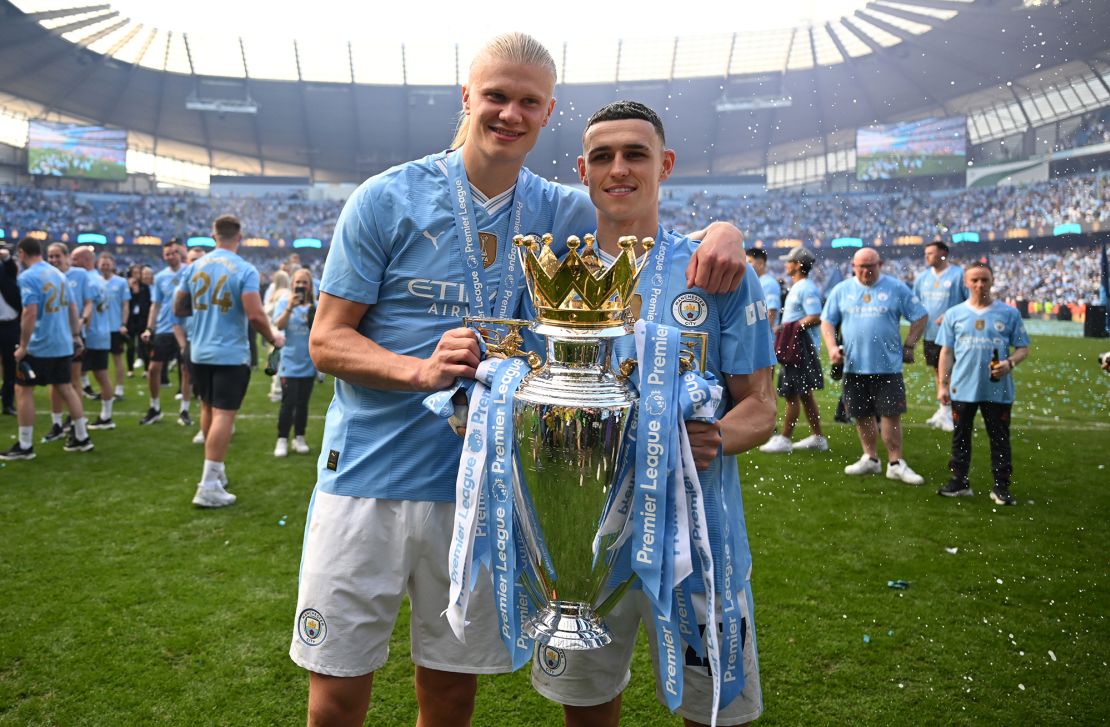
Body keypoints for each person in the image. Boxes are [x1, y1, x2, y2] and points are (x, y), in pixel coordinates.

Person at [288, 32, 747, 727]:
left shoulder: (563, 211)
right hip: (365, 480)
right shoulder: (386, 199)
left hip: (479, 492)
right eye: (496, 96)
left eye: (528, 101)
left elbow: (639, 210)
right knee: (337, 693)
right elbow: (326, 339)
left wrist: (725, 230)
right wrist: (420, 371)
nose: (510, 113)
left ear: (547, 111)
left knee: (448, 695)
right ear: (467, 96)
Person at [531, 100, 776, 727]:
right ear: (582, 170)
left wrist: (711, 437)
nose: (620, 168)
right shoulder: (555, 278)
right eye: (604, 156)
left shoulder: (715, 270)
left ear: (664, 165)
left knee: (715, 716)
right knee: (585, 712)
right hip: (587, 545)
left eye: (635, 153)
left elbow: (762, 408)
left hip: (700, 544)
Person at [173, 215, 284, 508]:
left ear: (213, 235)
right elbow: (255, 314)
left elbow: (179, 306)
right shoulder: (245, 269)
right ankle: (208, 485)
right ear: (240, 236)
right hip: (229, 351)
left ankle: (216, 472)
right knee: (224, 414)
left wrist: (204, 313)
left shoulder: (194, 266)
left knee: (208, 407)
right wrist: (274, 338)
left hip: (199, 349)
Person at [821, 247, 928, 485]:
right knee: (862, 415)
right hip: (854, 366)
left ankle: (895, 462)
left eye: (871, 266)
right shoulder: (842, 290)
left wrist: (909, 344)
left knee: (891, 415)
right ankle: (870, 458)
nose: (866, 271)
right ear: (853, 267)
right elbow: (827, 321)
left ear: (880, 264)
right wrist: (831, 348)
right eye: (862, 266)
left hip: (888, 366)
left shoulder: (896, 287)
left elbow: (920, 315)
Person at [935, 262, 1029, 505]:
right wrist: (943, 385)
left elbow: (1022, 348)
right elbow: (946, 352)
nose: (979, 285)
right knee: (960, 436)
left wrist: (1009, 364)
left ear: (992, 281)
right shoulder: (954, 314)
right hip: (962, 387)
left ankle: (1001, 487)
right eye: (974, 280)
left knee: (999, 437)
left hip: (997, 389)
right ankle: (959, 481)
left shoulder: (1009, 313)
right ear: (966, 283)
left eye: (984, 280)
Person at [0, 237, 92, 460]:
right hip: (62, 342)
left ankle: (25, 445)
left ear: (22, 253)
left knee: (24, 390)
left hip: (41, 344)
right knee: (66, 387)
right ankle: (82, 436)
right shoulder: (59, 274)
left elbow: (30, 312)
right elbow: (72, 307)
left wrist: (23, 346)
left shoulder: (29, 277)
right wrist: (75, 335)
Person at [760, 246, 827, 454]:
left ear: (798, 265)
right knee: (804, 394)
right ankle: (818, 437)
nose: (785, 265)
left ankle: (785, 438)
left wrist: (792, 328)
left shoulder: (805, 287)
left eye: (788, 261)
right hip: (797, 348)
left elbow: (815, 316)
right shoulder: (798, 286)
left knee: (791, 394)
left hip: (799, 350)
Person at [913, 242, 968, 432]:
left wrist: (951, 314)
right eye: (925, 253)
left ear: (943, 253)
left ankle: (952, 412)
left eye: (931, 253)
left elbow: (970, 301)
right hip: (930, 333)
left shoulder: (959, 275)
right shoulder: (922, 278)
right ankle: (944, 409)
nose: (927, 257)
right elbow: (916, 304)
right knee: (937, 371)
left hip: (953, 335)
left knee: (950, 372)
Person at [271, 267, 317, 457]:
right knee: (288, 402)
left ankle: (299, 437)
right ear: (292, 284)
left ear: (310, 285)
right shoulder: (284, 302)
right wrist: (290, 307)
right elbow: (279, 325)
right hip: (289, 361)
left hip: (308, 362)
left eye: (304, 282)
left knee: (303, 403)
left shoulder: (315, 306)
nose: (300, 285)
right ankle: (282, 439)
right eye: (297, 282)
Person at [140, 239, 185, 425]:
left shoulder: (189, 272)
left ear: (179, 253)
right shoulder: (160, 277)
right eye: (167, 254)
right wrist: (149, 328)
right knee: (153, 368)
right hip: (165, 328)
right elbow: (155, 305)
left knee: (187, 371)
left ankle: (185, 410)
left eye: (174, 252)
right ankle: (155, 407)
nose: (171, 256)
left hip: (185, 328)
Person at [71, 246, 116, 430]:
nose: (72, 263)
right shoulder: (99, 279)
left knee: (76, 377)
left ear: (85, 260)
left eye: (75, 259)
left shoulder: (87, 279)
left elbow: (86, 311)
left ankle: (80, 418)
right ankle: (106, 415)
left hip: (91, 334)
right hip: (102, 332)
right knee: (100, 374)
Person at [172, 246, 208, 429]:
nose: (196, 264)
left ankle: (214, 419)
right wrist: (182, 345)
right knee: (187, 374)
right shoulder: (183, 288)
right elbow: (176, 320)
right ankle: (184, 410)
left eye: (200, 260)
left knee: (211, 383)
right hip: (192, 340)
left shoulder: (213, 287)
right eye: (193, 260)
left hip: (211, 340)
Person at [98, 252, 131, 400]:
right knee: (100, 361)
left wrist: (123, 323)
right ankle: (104, 389)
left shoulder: (121, 282)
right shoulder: (95, 281)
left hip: (115, 327)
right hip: (98, 328)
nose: (105, 266)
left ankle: (119, 389)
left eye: (107, 263)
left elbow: (125, 305)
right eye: (102, 263)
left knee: (117, 359)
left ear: (113, 265)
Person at [0, 243, 20, 416]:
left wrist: (5, 257)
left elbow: (12, 268)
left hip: (9, 324)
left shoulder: (6, 268)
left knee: (10, 365)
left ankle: (7, 402)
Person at [745, 247, 780, 328]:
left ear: (760, 264)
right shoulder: (753, 282)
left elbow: (771, 313)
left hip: (763, 338)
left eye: (749, 262)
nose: (746, 266)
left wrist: (762, 335)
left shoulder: (769, 283)